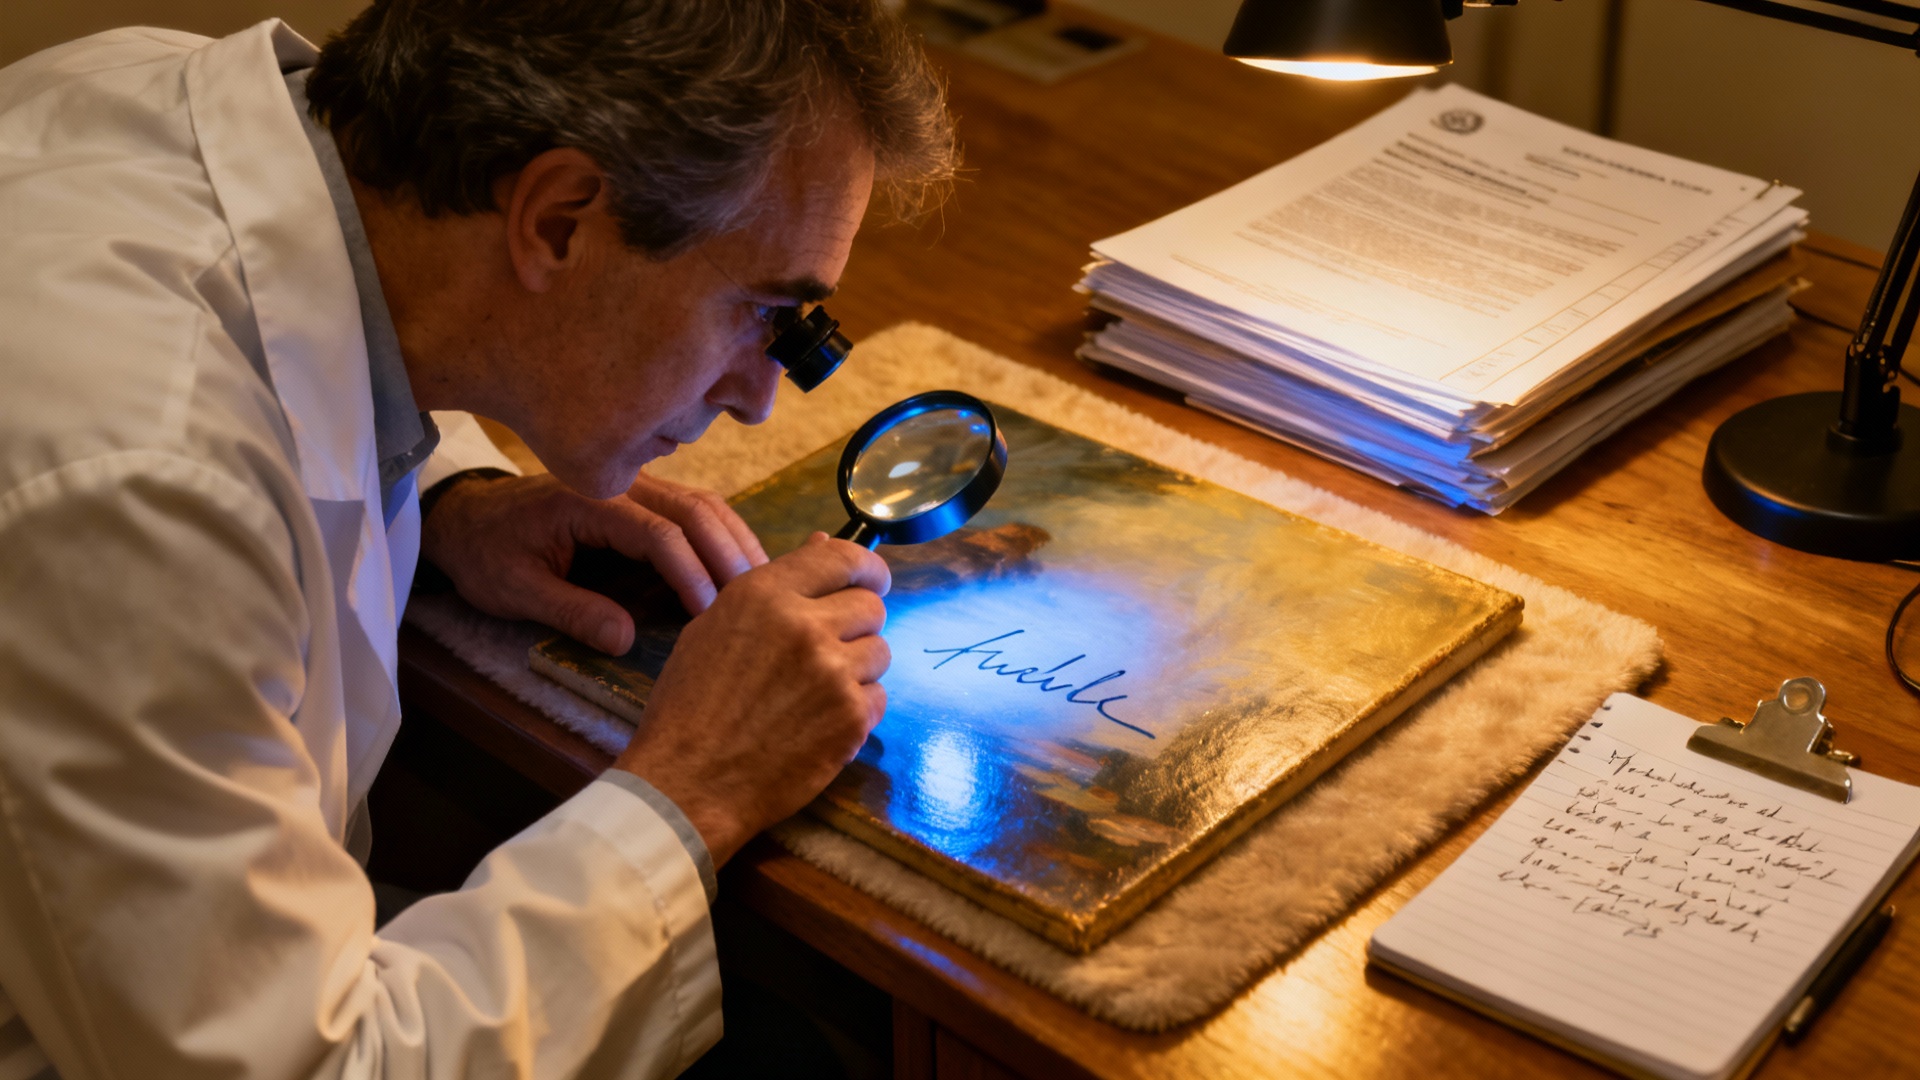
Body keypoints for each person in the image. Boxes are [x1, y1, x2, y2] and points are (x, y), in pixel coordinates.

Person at [0, 1, 955, 1077]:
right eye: (766, 315)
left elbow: (316, 332)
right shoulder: (141, 493)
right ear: (558, 221)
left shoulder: (151, 92)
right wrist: (698, 785)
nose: (761, 400)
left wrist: (444, 495)